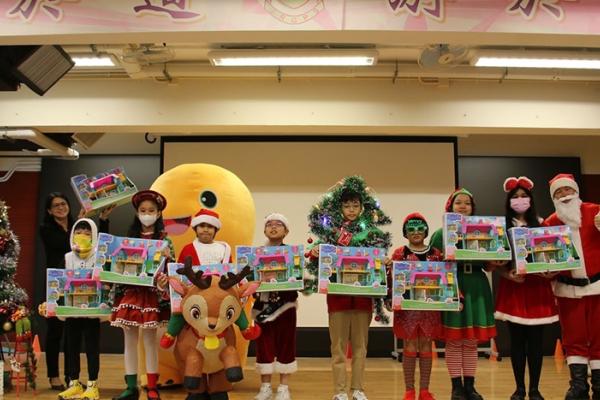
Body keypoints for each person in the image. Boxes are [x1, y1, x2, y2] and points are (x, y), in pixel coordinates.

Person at [310, 188, 378, 400]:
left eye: (355, 205)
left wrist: (383, 260)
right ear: (340, 208)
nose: (351, 209)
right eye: (347, 205)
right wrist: (315, 252)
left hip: (362, 300)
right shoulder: (331, 234)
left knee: (360, 348)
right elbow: (319, 259)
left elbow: (378, 259)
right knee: (338, 348)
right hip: (338, 300)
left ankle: (357, 389)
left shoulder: (371, 234)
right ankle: (340, 391)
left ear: (361, 208)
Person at [494, 177, 558, 400]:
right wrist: (507, 274)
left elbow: (556, 255)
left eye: (524, 196)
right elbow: (494, 263)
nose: (520, 200)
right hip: (514, 289)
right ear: (508, 201)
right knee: (517, 342)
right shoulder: (500, 227)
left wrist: (551, 272)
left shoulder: (542, 225)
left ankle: (535, 389)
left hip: (537, 289)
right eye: (515, 197)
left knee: (536, 343)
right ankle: (519, 388)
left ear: (531, 199)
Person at [159, 209, 259, 350]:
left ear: (215, 229)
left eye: (210, 226)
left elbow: (229, 271)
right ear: (195, 228)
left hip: (219, 292)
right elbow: (180, 272)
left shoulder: (224, 249)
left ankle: (245, 329)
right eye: (202, 226)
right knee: (180, 308)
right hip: (196, 292)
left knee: (233, 303)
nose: (206, 230)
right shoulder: (188, 249)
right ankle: (170, 334)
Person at [430, 188, 497, 400]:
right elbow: (432, 264)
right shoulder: (440, 234)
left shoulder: (484, 230)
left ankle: (470, 386)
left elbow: (488, 265)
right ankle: (456, 387)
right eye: (458, 202)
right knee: (454, 340)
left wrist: (496, 259)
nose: (462, 206)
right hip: (452, 284)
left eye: (467, 203)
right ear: (450, 206)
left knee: (470, 341)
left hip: (476, 284)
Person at [39, 192, 110, 390]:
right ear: (49, 210)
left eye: (63, 203)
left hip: (87, 299)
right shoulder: (47, 229)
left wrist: (102, 220)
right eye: (56, 205)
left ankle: (76, 378)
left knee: (81, 342)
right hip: (59, 286)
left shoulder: (77, 225)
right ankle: (56, 376)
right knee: (56, 333)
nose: (61, 208)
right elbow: (65, 245)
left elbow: (100, 242)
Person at [111, 190, 173, 400]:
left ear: (158, 213)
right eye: (143, 210)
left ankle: (152, 386)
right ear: (137, 213)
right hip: (131, 293)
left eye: (151, 210)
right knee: (129, 341)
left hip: (152, 295)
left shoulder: (165, 240)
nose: (147, 214)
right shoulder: (129, 240)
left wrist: (167, 268)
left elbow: (172, 270)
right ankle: (131, 387)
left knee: (149, 341)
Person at [544, 173, 600, 400]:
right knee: (573, 338)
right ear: (553, 198)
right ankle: (578, 385)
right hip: (567, 290)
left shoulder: (595, 212)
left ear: (575, 191)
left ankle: (599, 384)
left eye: (567, 189)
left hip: (597, 287)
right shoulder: (550, 223)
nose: (564, 195)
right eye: (558, 192)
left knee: (599, 336)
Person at [385, 213, 443, 400]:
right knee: (409, 345)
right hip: (407, 310)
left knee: (426, 346)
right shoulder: (399, 254)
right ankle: (409, 391)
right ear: (405, 232)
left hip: (429, 309)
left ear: (426, 231)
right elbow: (391, 279)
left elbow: (447, 278)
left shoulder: (436, 254)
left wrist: (457, 298)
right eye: (411, 229)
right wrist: (389, 298)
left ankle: (424, 391)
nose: (416, 232)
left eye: (420, 228)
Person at [253, 213, 298, 400]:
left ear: (286, 231)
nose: (273, 227)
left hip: (286, 306)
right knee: (264, 345)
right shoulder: (256, 254)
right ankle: (265, 387)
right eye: (269, 224)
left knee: (286, 344)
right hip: (262, 307)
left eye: (278, 224)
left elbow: (300, 279)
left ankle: (283, 387)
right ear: (264, 230)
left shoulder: (293, 254)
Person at [57, 218, 103, 400]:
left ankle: (93, 385)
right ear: (72, 235)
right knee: (71, 348)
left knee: (92, 348)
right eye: (78, 232)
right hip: (72, 311)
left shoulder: (99, 258)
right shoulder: (67, 257)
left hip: (92, 312)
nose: (82, 235)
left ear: (94, 236)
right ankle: (74, 383)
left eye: (87, 233)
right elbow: (58, 282)